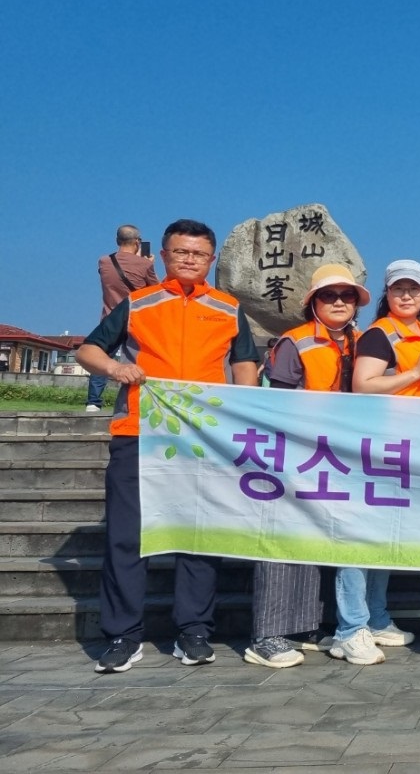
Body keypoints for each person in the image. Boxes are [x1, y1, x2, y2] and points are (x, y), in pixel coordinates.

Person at [76, 219, 259, 674]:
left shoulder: (227, 308)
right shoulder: (139, 303)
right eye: (180, 252)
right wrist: (116, 370)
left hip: (202, 439)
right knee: (126, 538)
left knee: (198, 534)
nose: (189, 260)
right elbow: (88, 351)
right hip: (139, 432)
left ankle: (193, 630)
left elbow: (245, 365)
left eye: (198, 254)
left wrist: (240, 415)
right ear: (162, 256)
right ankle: (122, 635)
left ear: (212, 260)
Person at [245, 264, 369, 669]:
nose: (338, 302)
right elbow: (278, 405)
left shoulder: (362, 341)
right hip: (297, 455)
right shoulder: (294, 342)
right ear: (312, 302)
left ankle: (310, 626)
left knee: (329, 538)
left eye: (346, 296)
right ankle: (267, 634)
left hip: (344, 458)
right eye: (329, 296)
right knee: (283, 538)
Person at [336, 260, 420, 666]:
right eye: (399, 290)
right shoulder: (380, 335)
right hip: (377, 446)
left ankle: (376, 617)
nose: (407, 296)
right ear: (387, 294)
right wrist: (413, 372)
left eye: (414, 289)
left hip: (410, 447)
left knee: (384, 538)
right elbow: (364, 386)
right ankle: (350, 627)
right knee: (361, 537)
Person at [86, 224, 159, 412]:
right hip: (136, 319)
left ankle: (93, 402)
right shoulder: (145, 265)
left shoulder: (103, 261)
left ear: (117, 241)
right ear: (137, 242)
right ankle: (141, 399)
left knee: (102, 357)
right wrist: (148, 263)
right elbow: (155, 291)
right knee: (139, 359)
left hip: (109, 317)